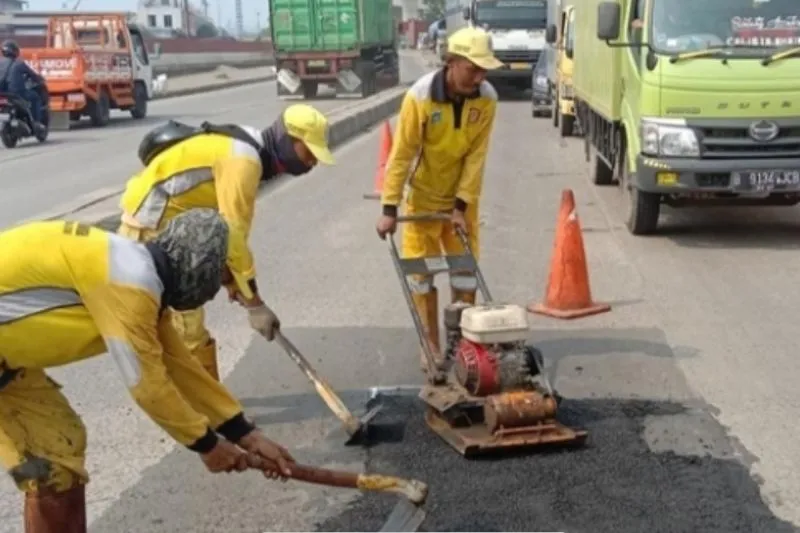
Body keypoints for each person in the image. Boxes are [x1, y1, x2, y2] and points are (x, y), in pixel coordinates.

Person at [0, 209, 296, 533]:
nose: (219, 293)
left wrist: (245, 434)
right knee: (50, 469)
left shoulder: (140, 273)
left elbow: (181, 367)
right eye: (222, 278)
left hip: (7, 363)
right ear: (200, 268)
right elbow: (147, 385)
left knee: (59, 457)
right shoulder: (130, 283)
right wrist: (207, 445)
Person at [118, 104, 335, 381]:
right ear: (288, 141)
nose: (312, 163)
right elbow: (234, 235)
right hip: (150, 229)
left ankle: (205, 402)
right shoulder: (245, 162)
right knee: (188, 327)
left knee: (178, 327)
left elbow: (223, 232)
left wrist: (232, 281)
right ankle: (207, 412)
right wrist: (255, 303)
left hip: (173, 227)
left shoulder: (248, 145)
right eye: (309, 153)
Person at [375, 26, 501, 371]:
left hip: (462, 201)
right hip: (423, 199)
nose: (480, 76)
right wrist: (390, 208)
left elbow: (477, 157)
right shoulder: (420, 98)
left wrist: (460, 207)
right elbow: (401, 155)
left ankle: (464, 345)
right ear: (452, 62)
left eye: (484, 69)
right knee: (420, 275)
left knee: (464, 274)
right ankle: (430, 343)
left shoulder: (486, 99)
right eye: (473, 68)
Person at [0, 39, 46, 133]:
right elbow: (33, 75)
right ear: (15, 51)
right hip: (16, 93)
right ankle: (36, 122)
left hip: (2, 94)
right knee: (35, 98)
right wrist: (40, 79)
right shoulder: (19, 63)